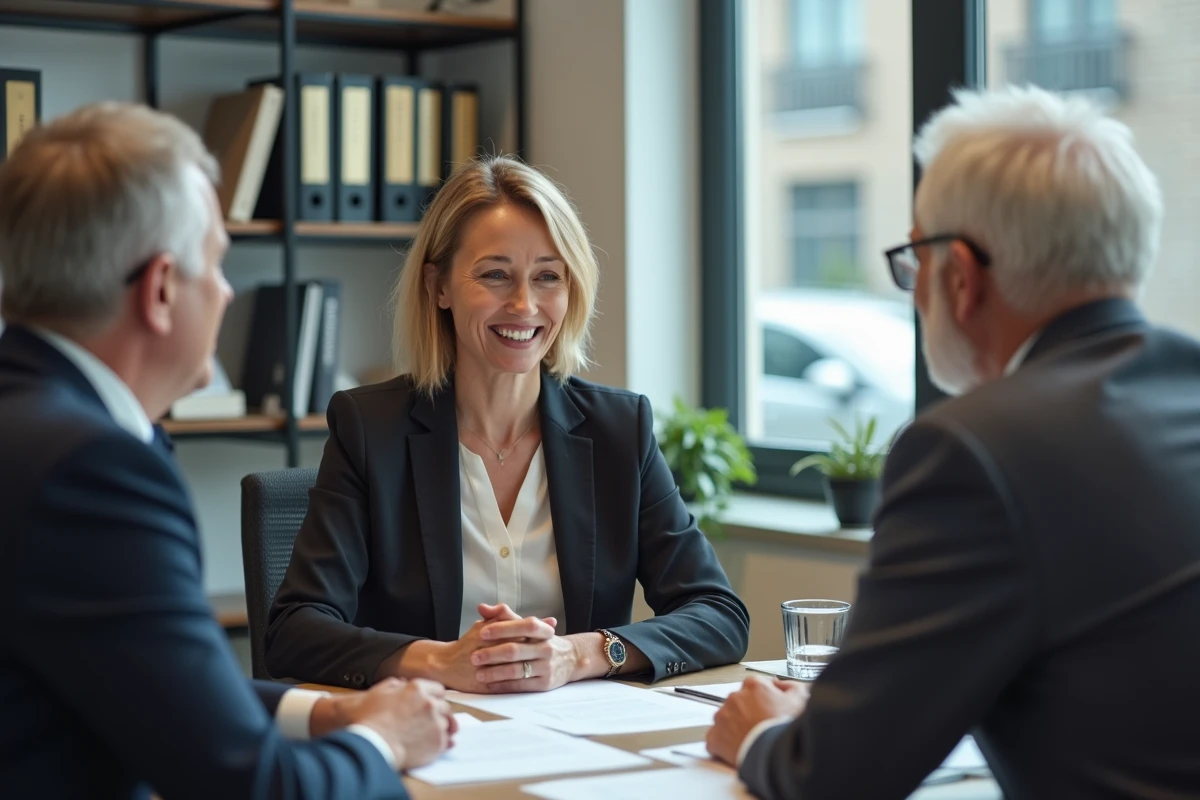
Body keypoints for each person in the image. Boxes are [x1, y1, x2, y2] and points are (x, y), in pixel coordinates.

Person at [707, 85, 1200, 798]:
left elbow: (836, 779)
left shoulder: (973, 452)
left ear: (961, 277)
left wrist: (760, 732)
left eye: (913, 263)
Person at [0, 102, 456, 800]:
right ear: (159, 290)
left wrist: (329, 711)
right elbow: (249, 787)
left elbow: (163, 685)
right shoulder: (91, 472)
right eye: (216, 261)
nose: (226, 289)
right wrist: (384, 740)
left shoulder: (39, 430)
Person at [264, 155, 749, 693]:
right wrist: (439, 661)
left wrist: (581, 652)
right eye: (495, 275)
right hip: (429, 733)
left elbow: (718, 614)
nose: (524, 304)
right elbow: (295, 631)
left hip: (581, 740)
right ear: (439, 287)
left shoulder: (619, 430)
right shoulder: (369, 430)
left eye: (547, 277)